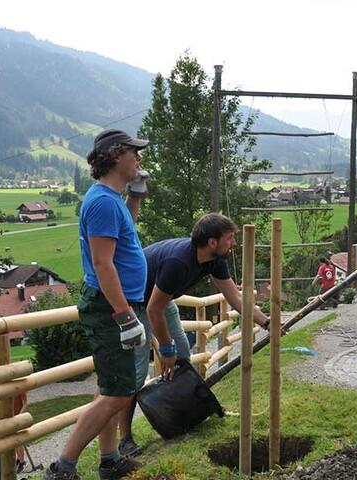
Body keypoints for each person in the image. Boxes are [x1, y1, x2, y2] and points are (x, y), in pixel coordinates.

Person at [117, 213, 272, 456]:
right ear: (212, 242)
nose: (233, 244)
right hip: (134, 302)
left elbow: (236, 298)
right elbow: (152, 310)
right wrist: (165, 350)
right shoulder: (179, 262)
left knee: (182, 356)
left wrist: (267, 323)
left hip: (160, 300)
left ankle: (180, 417)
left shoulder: (215, 260)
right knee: (136, 373)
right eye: (230, 238)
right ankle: (124, 440)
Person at [44, 129, 150, 480]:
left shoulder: (111, 199)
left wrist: (135, 198)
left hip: (114, 304)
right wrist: (124, 316)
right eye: (134, 152)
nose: (139, 158)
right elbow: (103, 263)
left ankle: (110, 459)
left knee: (113, 387)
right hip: (110, 307)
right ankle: (63, 468)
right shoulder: (103, 202)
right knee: (119, 393)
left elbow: (125, 235)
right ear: (116, 154)